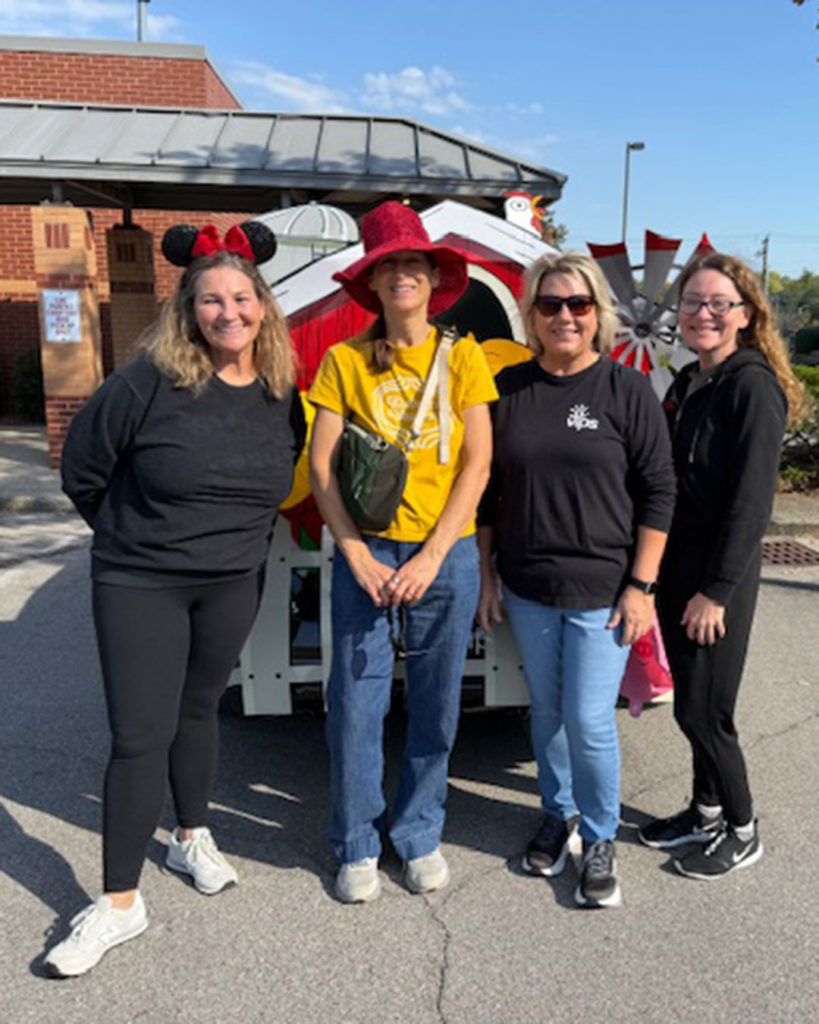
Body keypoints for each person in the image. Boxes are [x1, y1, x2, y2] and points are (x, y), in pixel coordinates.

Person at [46, 222, 305, 976]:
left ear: (263, 305)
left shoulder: (278, 391)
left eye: (241, 298)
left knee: (198, 711)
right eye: (211, 301)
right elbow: (82, 472)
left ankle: (192, 835)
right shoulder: (144, 384)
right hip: (140, 580)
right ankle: (119, 903)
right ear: (187, 311)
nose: (229, 312)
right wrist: (134, 539)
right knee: (139, 735)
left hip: (230, 580)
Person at [308, 200, 497, 903]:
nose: (402, 275)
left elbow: (477, 465)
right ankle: (355, 843)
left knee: (435, 703)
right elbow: (322, 466)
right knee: (354, 705)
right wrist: (355, 554)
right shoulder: (343, 360)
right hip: (366, 551)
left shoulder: (464, 356)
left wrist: (428, 557)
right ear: (373, 282)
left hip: (441, 556)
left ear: (431, 276)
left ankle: (417, 832)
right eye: (388, 265)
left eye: (412, 263)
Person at [477, 251, 675, 909]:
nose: (564, 316)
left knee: (588, 719)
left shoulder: (625, 391)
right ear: (531, 314)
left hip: (603, 590)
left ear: (597, 313)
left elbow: (658, 492)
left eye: (578, 304)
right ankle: (555, 813)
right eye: (549, 304)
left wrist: (640, 587)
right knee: (548, 714)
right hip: (530, 583)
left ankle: (597, 837)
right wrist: (486, 575)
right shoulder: (506, 389)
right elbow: (488, 491)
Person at [638, 253, 806, 879]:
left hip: (717, 580)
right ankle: (703, 809)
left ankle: (742, 827)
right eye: (691, 303)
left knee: (706, 713)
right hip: (679, 568)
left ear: (744, 314)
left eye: (717, 304)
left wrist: (715, 591)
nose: (702, 314)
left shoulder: (751, 385)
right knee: (692, 698)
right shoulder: (688, 381)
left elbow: (751, 502)